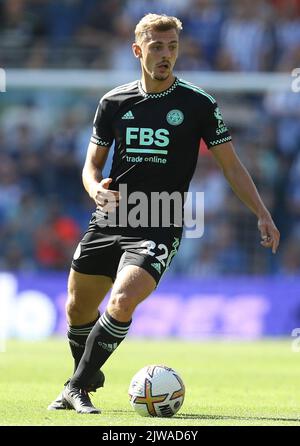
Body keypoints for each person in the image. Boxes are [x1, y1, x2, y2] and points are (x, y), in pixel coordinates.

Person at [48, 13, 280, 414]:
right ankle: (83, 376)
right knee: (76, 308)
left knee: (121, 300)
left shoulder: (198, 103)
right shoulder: (114, 102)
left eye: (172, 46)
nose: (166, 55)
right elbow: (91, 167)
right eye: (157, 46)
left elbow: (231, 165)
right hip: (112, 216)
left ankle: (77, 385)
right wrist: (94, 190)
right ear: (138, 50)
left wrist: (262, 212)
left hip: (161, 218)